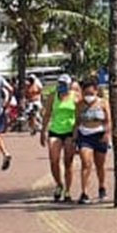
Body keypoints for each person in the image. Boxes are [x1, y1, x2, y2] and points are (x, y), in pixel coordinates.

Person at [73, 77, 111, 204]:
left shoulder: (103, 103)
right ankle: (84, 192)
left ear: (96, 91)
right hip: (85, 135)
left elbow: (108, 120)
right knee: (86, 163)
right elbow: (77, 122)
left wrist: (107, 134)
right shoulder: (79, 105)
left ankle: (102, 187)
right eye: (86, 93)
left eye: (91, 93)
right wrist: (74, 138)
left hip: (99, 134)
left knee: (100, 165)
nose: (88, 96)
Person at [41, 74, 79, 203]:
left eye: (64, 84)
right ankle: (59, 184)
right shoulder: (53, 96)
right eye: (60, 84)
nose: (62, 86)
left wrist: (77, 132)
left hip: (69, 131)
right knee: (54, 160)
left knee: (68, 162)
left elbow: (79, 114)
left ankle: (68, 190)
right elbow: (47, 114)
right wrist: (43, 131)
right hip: (55, 130)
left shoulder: (75, 96)